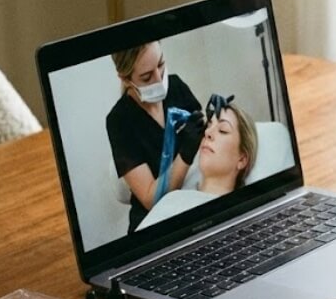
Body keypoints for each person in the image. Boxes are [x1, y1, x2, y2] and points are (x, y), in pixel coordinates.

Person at [106, 41, 204, 233]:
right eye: (146, 77)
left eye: (160, 65)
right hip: (154, 225)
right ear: (126, 79)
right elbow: (152, 200)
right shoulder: (119, 121)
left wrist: (215, 117)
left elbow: (205, 131)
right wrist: (185, 154)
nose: (159, 80)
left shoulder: (176, 86)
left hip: (191, 204)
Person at [136, 100, 259, 230]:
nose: (207, 133)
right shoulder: (172, 201)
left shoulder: (246, 214)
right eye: (209, 126)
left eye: (223, 130)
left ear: (242, 160)